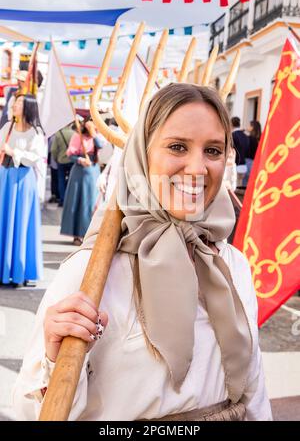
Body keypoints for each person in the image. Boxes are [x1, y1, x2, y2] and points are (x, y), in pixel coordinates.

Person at [12, 84, 272, 421]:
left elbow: (255, 389)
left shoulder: (232, 265)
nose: (197, 168)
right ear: (142, 153)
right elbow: (30, 410)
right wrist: (52, 357)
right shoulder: (90, 272)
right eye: (177, 147)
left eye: (212, 150)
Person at [0, 94, 44, 287]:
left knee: (22, 223)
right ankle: (4, 270)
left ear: (28, 107)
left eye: (19, 102)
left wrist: (13, 152)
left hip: (24, 180)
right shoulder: (7, 126)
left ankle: (20, 271)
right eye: (15, 102)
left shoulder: (36, 133)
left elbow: (35, 158)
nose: (15, 105)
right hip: (6, 177)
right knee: (4, 221)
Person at [60, 116, 103, 246]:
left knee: (91, 203)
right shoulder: (77, 136)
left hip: (94, 171)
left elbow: (101, 146)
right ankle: (77, 234)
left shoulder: (97, 137)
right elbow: (70, 154)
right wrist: (80, 160)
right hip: (79, 172)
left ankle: (89, 234)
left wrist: (94, 134)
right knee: (78, 201)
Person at [51, 122, 75, 207]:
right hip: (71, 160)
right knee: (70, 180)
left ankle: (62, 200)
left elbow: (53, 149)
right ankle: (70, 199)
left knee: (61, 180)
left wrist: (55, 158)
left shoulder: (58, 134)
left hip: (61, 161)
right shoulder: (74, 133)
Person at [242, 120, 261, 187]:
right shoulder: (258, 139)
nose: (248, 127)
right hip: (255, 162)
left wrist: (243, 131)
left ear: (252, 127)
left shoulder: (250, 138)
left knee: (245, 181)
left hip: (248, 161)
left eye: (250, 125)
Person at [231, 116, 249, 187]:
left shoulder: (233, 135)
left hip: (234, 165)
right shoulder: (245, 136)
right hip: (244, 165)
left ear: (231, 124)